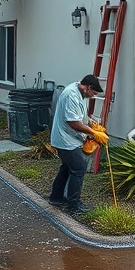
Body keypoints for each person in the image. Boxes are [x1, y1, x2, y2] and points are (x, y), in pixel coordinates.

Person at [48, 75, 108, 214]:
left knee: (67, 167)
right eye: (93, 93)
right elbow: (73, 122)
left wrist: (91, 123)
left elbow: (79, 116)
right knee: (79, 168)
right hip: (65, 140)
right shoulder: (71, 95)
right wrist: (93, 133)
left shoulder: (80, 93)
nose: (93, 96)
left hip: (68, 138)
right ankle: (74, 206)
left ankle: (56, 197)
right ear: (88, 87)